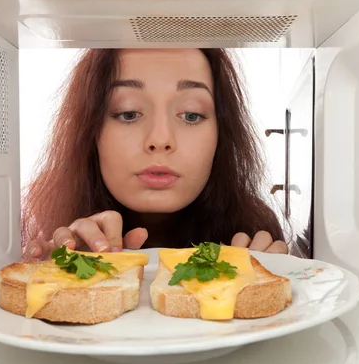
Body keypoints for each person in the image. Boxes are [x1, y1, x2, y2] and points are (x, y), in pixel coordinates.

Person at [22, 48, 289, 261]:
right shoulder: (43, 224)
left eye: (191, 115)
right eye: (128, 114)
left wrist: (266, 280)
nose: (160, 140)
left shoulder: (252, 232)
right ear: (90, 130)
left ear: (223, 134)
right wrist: (58, 274)